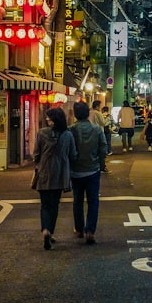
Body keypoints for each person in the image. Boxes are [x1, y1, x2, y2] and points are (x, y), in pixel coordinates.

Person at [32, 106, 77, 250]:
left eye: (48, 117)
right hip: (60, 174)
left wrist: (39, 162)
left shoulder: (41, 133)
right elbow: (73, 155)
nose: (46, 119)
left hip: (44, 173)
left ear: (53, 119)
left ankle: (45, 230)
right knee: (55, 204)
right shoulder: (68, 135)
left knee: (45, 205)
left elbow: (36, 154)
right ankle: (50, 232)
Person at [69, 101, 108, 244]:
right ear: (88, 113)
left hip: (76, 170)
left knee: (77, 200)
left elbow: (67, 149)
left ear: (75, 114)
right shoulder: (97, 129)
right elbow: (103, 147)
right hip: (93, 169)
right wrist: (101, 163)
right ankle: (90, 230)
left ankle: (79, 228)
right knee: (93, 201)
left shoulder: (71, 130)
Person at [89, 100, 111, 168]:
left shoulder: (90, 112)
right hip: (99, 133)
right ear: (97, 106)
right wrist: (108, 119)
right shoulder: (98, 113)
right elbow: (103, 123)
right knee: (102, 149)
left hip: (91, 133)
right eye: (100, 106)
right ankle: (102, 166)